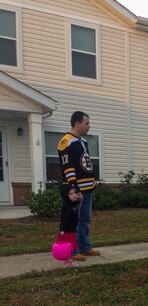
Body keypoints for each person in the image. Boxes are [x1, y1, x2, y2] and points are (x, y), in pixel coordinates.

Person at [58, 111, 99, 260]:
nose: (89, 126)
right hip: (77, 191)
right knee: (73, 222)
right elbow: (68, 168)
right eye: (87, 123)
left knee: (85, 220)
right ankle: (73, 250)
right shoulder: (66, 141)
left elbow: (85, 165)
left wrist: (92, 183)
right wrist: (74, 190)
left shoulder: (83, 142)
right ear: (77, 123)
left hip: (88, 189)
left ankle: (85, 247)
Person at [58, 184, 80, 268]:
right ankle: (67, 262)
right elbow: (64, 219)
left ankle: (70, 261)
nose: (74, 195)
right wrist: (62, 229)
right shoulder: (66, 206)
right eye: (71, 194)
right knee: (68, 247)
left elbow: (76, 203)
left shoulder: (72, 204)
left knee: (71, 247)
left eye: (75, 192)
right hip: (67, 231)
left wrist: (78, 199)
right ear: (66, 196)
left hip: (72, 230)